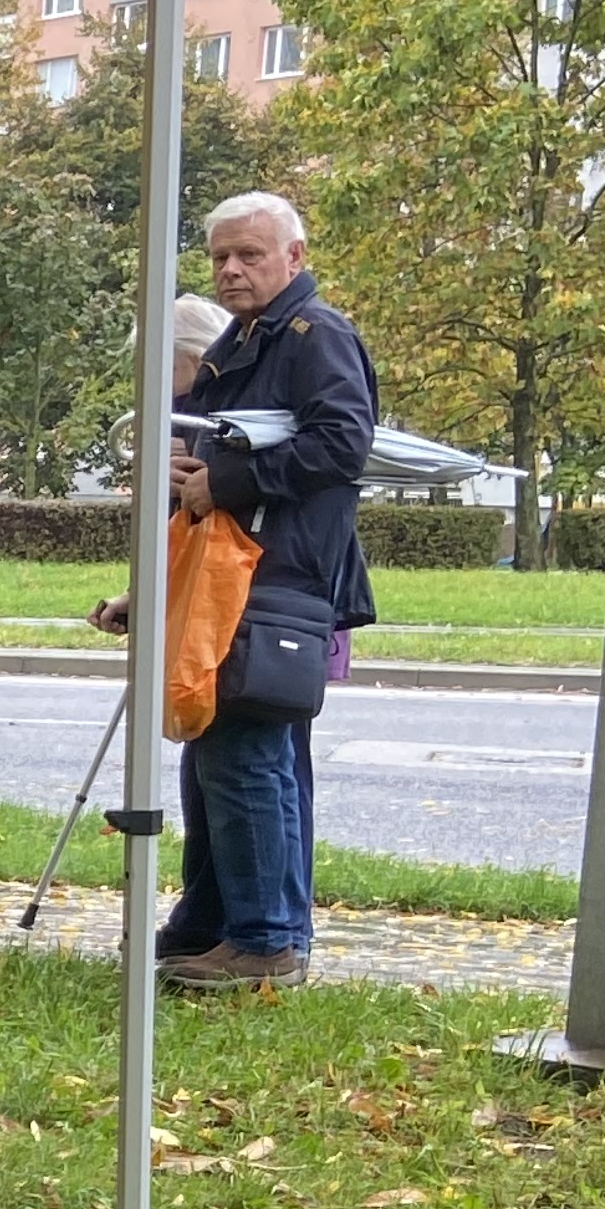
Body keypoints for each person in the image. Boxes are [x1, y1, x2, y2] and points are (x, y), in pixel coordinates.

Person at [139, 196, 377, 994]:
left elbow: (342, 445)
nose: (232, 270)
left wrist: (226, 482)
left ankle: (265, 940)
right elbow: (214, 453)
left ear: (294, 257)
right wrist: (186, 475)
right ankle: (215, 924)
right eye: (220, 258)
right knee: (220, 753)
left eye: (249, 255)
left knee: (246, 756)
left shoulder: (316, 335)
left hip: (275, 575)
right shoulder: (246, 338)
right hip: (231, 571)